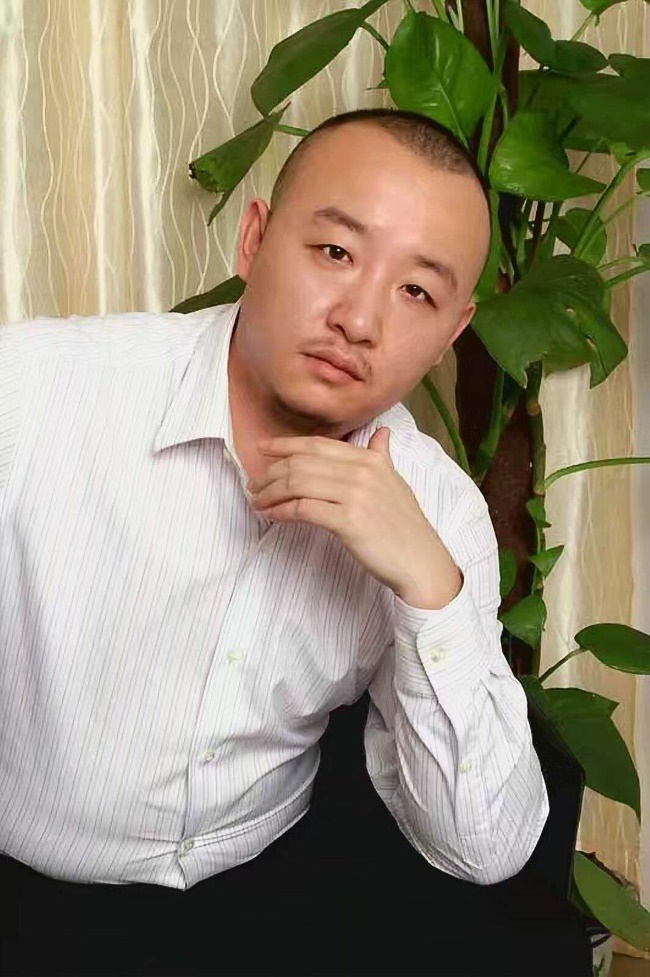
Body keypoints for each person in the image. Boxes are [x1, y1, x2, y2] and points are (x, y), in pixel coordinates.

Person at [0, 107, 570, 976]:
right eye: (336, 252)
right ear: (255, 240)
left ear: (453, 332)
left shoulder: (437, 508)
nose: (360, 320)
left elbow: (484, 847)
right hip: (24, 893)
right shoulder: (35, 390)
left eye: (416, 291)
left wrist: (429, 586)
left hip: (267, 896)